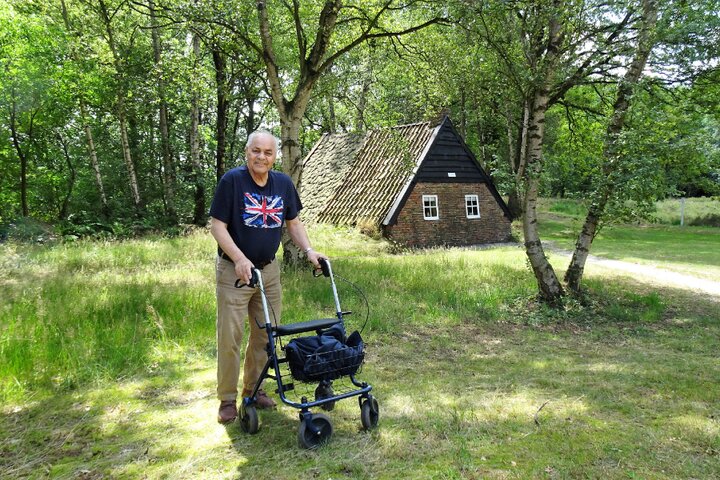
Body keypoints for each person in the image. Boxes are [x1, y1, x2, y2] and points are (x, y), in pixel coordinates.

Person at [209, 130, 326, 424]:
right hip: (233, 272)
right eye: (256, 151)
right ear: (247, 152)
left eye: (268, 152)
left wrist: (310, 251)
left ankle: (254, 390)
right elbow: (217, 227)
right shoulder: (232, 182)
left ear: (275, 157)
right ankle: (227, 399)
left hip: (269, 271)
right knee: (231, 338)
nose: (262, 157)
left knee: (266, 335)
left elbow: (294, 223)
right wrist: (238, 258)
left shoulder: (283, 184)